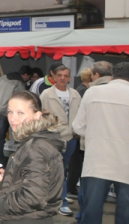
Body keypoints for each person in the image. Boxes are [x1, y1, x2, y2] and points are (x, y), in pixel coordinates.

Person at [0, 91, 64, 223]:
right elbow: (39, 181)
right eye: (10, 112)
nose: (12, 118)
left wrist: (0, 205)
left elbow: (33, 197)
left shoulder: (35, 147)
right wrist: (8, 178)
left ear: (37, 115)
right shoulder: (37, 141)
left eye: (20, 113)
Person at [72, 61, 127, 224]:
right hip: (126, 163)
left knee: (91, 212)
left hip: (97, 160)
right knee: (126, 214)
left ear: (112, 76)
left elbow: (78, 127)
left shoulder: (93, 92)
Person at [40, 65, 81, 217]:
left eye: (66, 75)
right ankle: (60, 200)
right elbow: (39, 115)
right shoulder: (46, 94)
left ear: (69, 78)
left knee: (64, 168)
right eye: (60, 75)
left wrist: (77, 130)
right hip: (54, 137)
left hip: (71, 137)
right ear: (54, 77)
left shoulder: (75, 94)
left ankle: (58, 196)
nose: (63, 78)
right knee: (56, 169)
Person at [0, 65, 31, 167]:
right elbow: (19, 99)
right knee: (0, 137)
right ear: (25, 75)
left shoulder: (3, 77)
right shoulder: (19, 83)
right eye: (28, 77)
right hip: (3, 111)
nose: (28, 80)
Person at [67, 67, 92, 200]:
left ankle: (71, 186)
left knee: (75, 162)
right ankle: (71, 187)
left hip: (77, 132)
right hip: (79, 133)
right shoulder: (85, 91)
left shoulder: (79, 89)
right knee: (76, 162)